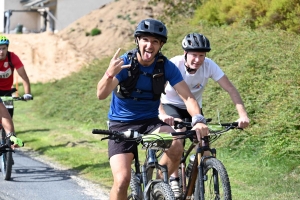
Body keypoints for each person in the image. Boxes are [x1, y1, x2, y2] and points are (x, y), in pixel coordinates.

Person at [97, 19, 209, 200]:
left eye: (155, 41)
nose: (150, 45)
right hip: (121, 124)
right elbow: (101, 94)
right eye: (145, 40)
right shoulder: (125, 63)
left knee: (176, 144)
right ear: (138, 41)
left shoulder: (165, 66)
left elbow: (188, 97)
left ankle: (157, 187)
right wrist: (109, 74)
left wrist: (197, 119)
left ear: (161, 45)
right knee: (123, 180)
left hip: (150, 122)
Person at [159, 33, 250, 196]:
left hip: (193, 109)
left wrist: (242, 115)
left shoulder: (209, 66)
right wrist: (162, 113)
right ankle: (173, 179)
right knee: (177, 140)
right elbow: (156, 91)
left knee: (205, 148)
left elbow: (230, 89)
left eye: (202, 55)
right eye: (194, 55)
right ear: (185, 53)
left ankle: (196, 167)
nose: (198, 60)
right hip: (170, 106)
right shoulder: (174, 64)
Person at [0, 35, 32, 117]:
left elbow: (24, 76)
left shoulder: (12, 57)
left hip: (7, 91)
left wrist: (27, 93)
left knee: (9, 116)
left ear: (7, 48)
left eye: (4, 48)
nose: (1, 52)